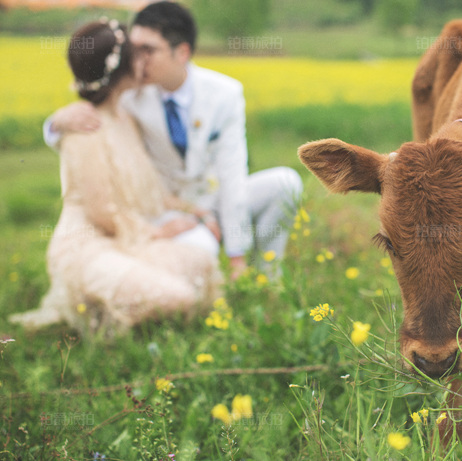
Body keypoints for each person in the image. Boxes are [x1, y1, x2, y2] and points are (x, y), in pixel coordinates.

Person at [44, 1, 303, 281]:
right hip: (159, 211)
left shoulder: (225, 94)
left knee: (285, 183)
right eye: (134, 49)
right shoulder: (128, 93)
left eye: (148, 50)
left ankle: (268, 277)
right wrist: (56, 123)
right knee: (198, 249)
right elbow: (91, 130)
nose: (137, 59)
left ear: (182, 52)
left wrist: (236, 256)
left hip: (207, 200)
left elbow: (232, 175)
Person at [11, 19, 222, 334]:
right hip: (89, 245)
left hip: (126, 240)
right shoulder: (83, 126)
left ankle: (128, 310)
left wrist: (195, 212)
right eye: (139, 54)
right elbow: (101, 214)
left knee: (201, 262)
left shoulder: (126, 117)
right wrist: (162, 232)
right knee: (177, 294)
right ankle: (98, 321)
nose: (145, 61)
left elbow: (147, 188)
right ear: (124, 67)